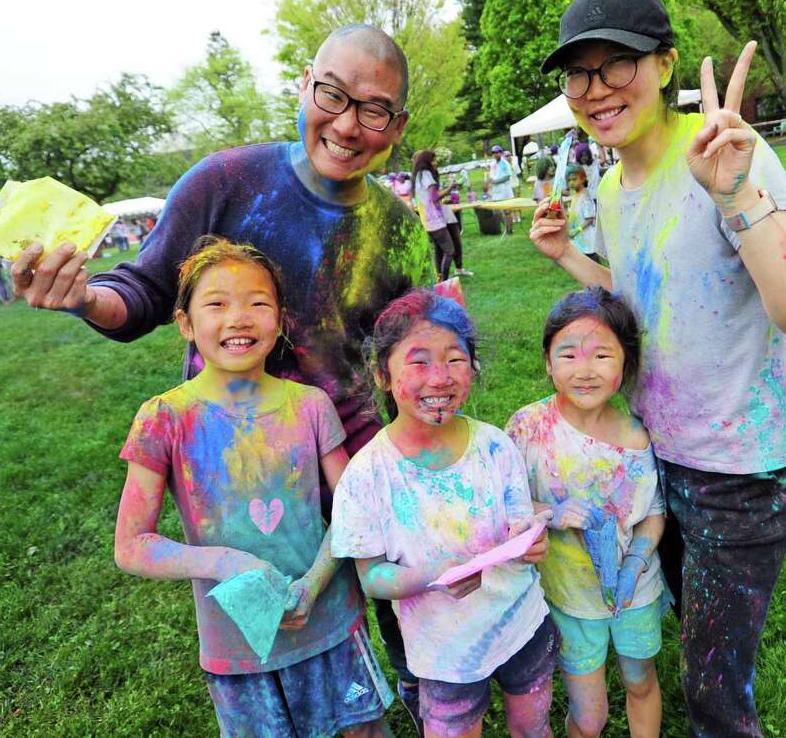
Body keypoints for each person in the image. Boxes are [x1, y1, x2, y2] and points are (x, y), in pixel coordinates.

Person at [10, 24, 434, 731]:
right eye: (333, 94)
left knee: (400, 643)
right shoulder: (226, 181)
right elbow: (143, 292)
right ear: (304, 83)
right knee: (264, 661)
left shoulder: (401, 230)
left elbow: (409, 359)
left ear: (397, 126)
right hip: (244, 480)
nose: (349, 123)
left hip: (358, 472)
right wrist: (84, 297)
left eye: (375, 109)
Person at [531, 0, 786, 736]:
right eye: (580, 73)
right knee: (687, 637)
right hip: (657, 457)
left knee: (715, 695)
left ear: (665, 65)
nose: (596, 89)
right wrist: (572, 257)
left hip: (741, 469)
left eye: (618, 65)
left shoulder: (726, 153)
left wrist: (735, 194)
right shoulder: (608, 187)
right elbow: (643, 296)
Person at [114, 237, 392, 737]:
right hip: (238, 644)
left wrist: (316, 581)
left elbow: (355, 509)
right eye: (216, 304)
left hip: (331, 622)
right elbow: (131, 546)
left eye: (257, 303)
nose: (238, 318)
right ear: (185, 323)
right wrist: (225, 562)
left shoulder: (310, 405)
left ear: (281, 318)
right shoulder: (163, 419)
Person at [330, 289, 555, 738]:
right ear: (382, 374)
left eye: (455, 360)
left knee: (533, 729)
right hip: (443, 651)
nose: (440, 378)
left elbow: (517, 516)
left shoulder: (494, 444)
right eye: (419, 362)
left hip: (522, 626)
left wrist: (529, 536)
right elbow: (372, 577)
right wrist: (432, 574)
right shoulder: (366, 475)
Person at [507, 287, 665, 738]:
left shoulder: (637, 437)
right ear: (548, 362)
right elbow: (505, 504)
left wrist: (636, 559)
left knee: (640, 680)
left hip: (637, 592)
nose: (585, 370)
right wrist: (550, 513)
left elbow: (652, 510)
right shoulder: (527, 427)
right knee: (589, 715)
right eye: (569, 355)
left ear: (625, 363)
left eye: (601, 355)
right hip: (569, 597)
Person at [412, 150, 464, 282]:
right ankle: (444, 281)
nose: (435, 162)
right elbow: (434, 197)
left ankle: (440, 278)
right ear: (427, 161)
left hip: (427, 219)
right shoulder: (427, 174)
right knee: (449, 251)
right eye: (433, 160)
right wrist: (450, 187)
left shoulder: (418, 176)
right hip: (434, 220)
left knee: (439, 250)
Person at [567, 168, 600, 265]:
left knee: (593, 264)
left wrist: (577, 230)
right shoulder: (576, 195)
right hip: (579, 239)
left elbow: (589, 219)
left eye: (574, 179)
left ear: (582, 179)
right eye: (569, 180)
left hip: (587, 238)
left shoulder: (586, 196)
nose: (571, 182)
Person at [487, 145, 518, 235]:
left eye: (497, 152)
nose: (495, 154)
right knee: (496, 211)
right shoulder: (492, 164)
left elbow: (507, 177)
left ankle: (510, 230)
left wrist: (496, 181)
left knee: (507, 211)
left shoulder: (505, 163)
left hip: (505, 191)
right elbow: (491, 176)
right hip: (496, 192)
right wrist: (490, 184)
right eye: (493, 153)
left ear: (501, 153)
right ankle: (507, 227)